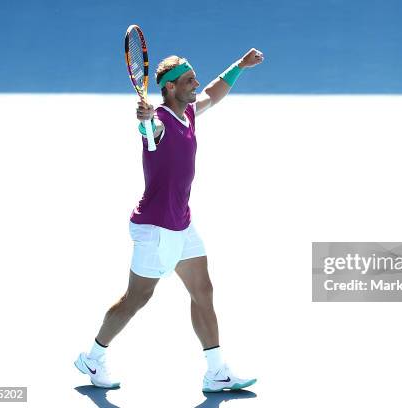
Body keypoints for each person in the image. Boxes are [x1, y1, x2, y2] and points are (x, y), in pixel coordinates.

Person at [74, 48, 264, 392]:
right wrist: (144, 119)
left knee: (202, 290)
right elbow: (150, 130)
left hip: (181, 222)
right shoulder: (159, 121)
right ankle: (92, 357)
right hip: (155, 228)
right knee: (136, 300)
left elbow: (213, 94)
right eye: (189, 80)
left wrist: (240, 65)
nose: (196, 83)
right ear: (172, 87)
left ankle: (216, 371)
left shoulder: (189, 112)